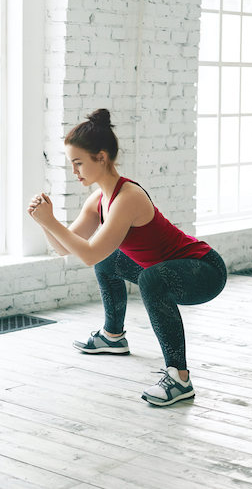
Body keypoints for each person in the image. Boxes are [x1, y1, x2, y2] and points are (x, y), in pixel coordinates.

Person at [27, 109, 227, 406]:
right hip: (165, 269)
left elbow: (89, 254)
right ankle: (113, 336)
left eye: (79, 163)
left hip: (205, 271)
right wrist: (44, 221)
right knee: (112, 262)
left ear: (102, 158)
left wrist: (52, 222)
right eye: (72, 164)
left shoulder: (128, 198)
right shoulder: (99, 199)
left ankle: (179, 378)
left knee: (149, 277)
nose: (75, 171)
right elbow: (64, 248)